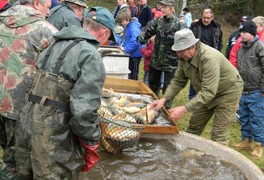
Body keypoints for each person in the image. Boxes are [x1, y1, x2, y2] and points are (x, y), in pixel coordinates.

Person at [15, 7, 116, 179]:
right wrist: (91, 141)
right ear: (104, 32)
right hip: (54, 135)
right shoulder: (90, 54)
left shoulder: (53, 45)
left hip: (26, 126)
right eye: (108, 38)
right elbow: (83, 109)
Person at [150, 29, 243, 146]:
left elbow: (209, 91)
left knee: (219, 133)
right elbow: (178, 80)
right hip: (207, 92)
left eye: (181, 51)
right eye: (177, 51)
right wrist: (164, 99)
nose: (179, 54)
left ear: (192, 46)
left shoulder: (209, 59)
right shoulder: (184, 57)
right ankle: (186, 153)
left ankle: (215, 162)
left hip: (228, 92)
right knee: (194, 125)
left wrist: (184, 108)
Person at [0, 0, 58, 178]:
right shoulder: (46, 29)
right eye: (47, 7)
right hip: (21, 107)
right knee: (18, 161)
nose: (48, 12)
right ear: (36, 3)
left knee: (7, 151)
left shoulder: (2, 21)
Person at [137, 0, 186, 109]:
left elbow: (185, 40)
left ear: (172, 8)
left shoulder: (179, 24)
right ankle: (153, 105)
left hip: (171, 62)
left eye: (165, 7)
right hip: (156, 60)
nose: (162, 9)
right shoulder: (158, 21)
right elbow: (148, 32)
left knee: (168, 88)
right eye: (161, 7)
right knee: (153, 84)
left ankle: (166, 109)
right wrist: (141, 38)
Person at [232, 21, 264, 159]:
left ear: (251, 33)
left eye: (244, 32)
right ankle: (247, 140)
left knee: (257, 119)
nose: (241, 35)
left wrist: (262, 88)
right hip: (243, 90)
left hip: (256, 91)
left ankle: (259, 145)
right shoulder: (241, 48)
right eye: (240, 32)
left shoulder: (259, 47)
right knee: (244, 118)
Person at [189, 8, 223, 100]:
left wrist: (217, 53)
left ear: (212, 17)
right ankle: (192, 99)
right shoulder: (194, 26)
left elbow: (219, 42)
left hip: (211, 58)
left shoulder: (217, 27)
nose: (206, 20)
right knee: (194, 79)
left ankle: (207, 100)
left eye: (208, 18)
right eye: (204, 17)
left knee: (209, 80)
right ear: (201, 16)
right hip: (196, 57)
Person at [118, 12, 143, 80]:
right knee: (130, 71)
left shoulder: (133, 27)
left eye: (122, 21)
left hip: (136, 54)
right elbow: (128, 39)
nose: (122, 23)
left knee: (133, 73)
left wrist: (125, 49)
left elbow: (135, 41)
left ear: (126, 19)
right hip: (132, 53)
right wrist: (122, 45)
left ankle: (134, 86)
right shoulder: (128, 27)